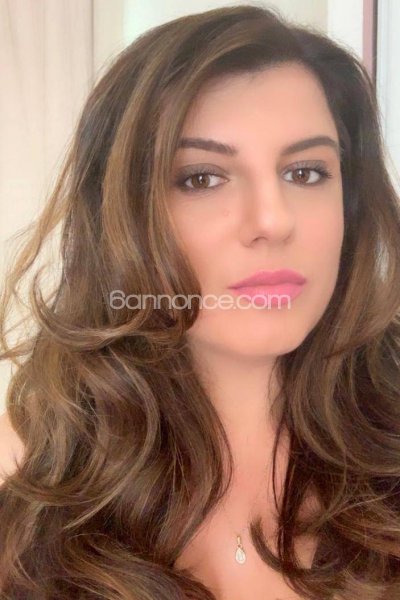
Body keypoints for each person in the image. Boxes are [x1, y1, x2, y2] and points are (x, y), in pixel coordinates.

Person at [1, 3, 400, 599]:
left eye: (306, 172)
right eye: (202, 178)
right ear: (122, 215)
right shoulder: (30, 476)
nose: (273, 221)